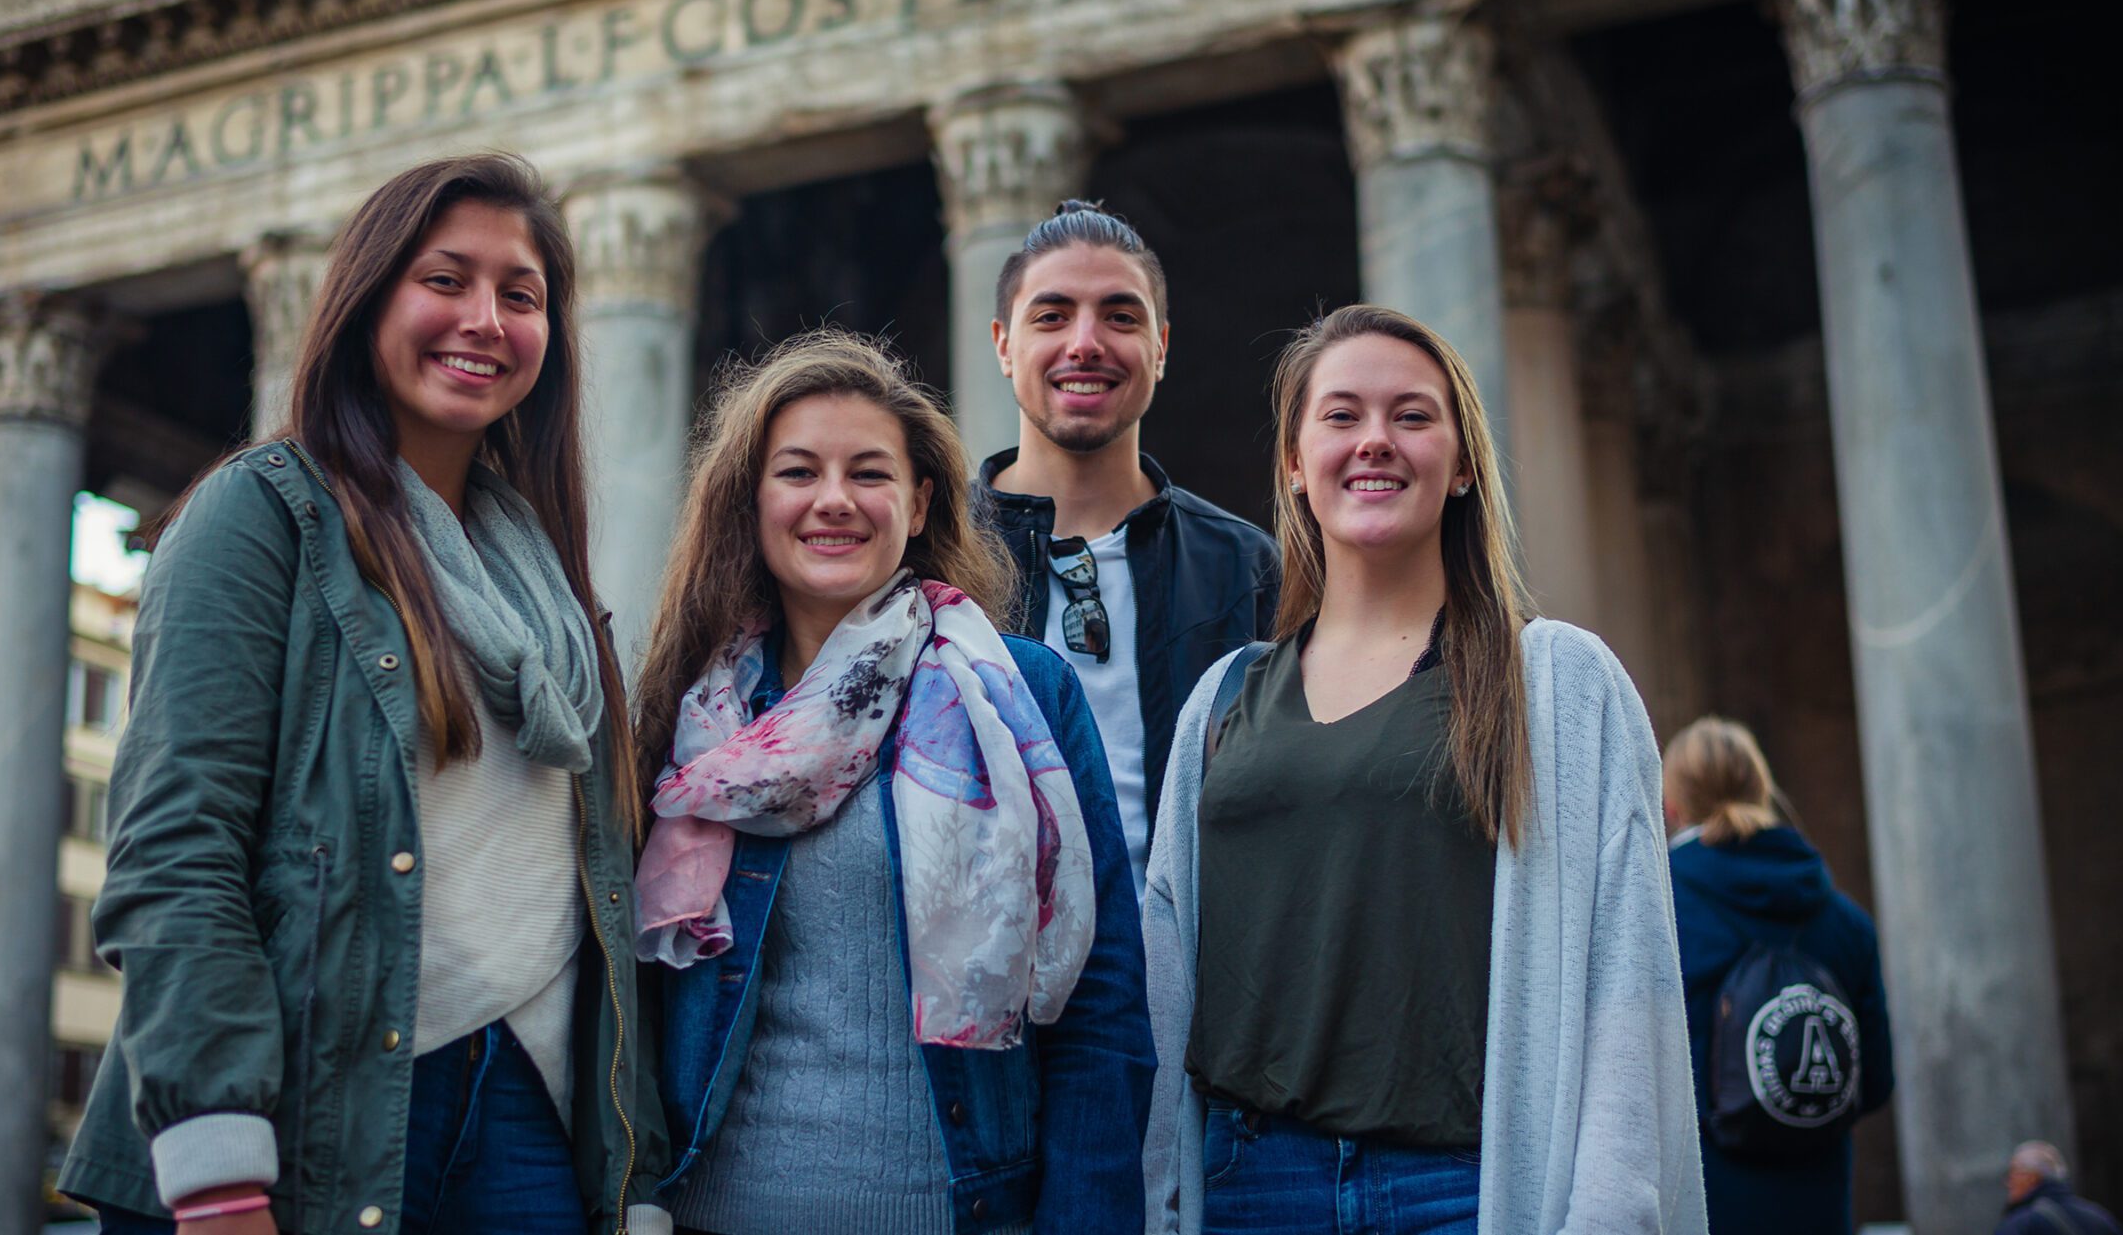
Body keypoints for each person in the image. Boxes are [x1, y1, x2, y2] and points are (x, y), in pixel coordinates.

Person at [57, 153, 672, 1235]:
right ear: (366, 298)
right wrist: (216, 1166)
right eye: (446, 279)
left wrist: (630, 1163)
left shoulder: (544, 576)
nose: (484, 318)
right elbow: (176, 850)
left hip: (527, 1096)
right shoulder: (256, 516)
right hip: (313, 1105)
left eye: (519, 295)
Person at [1142, 305, 1706, 1235]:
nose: (1375, 440)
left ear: (1465, 461)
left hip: (1468, 1186)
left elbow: (1628, 976)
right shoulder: (1222, 699)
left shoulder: (1554, 681)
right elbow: (1169, 977)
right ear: (1293, 462)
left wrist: (1610, 1212)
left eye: (1411, 414)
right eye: (1341, 415)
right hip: (1251, 1183)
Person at [630, 331, 1152, 1234]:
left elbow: (1101, 1006)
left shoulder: (1021, 694)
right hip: (720, 1213)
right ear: (750, 504)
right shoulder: (697, 716)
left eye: (868, 473)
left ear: (917, 504)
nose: (834, 500)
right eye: (798, 472)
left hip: (962, 1210)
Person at [975, 200, 1278, 873]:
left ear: (1160, 347)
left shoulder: (1246, 567)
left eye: (1120, 316)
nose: (1085, 342)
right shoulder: (932, 557)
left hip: (1201, 971)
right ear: (1003, 344)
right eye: (1052, 316)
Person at [1664, 716, 1894, 1235]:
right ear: (1763, 790)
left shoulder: (1660, 909)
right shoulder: (1846, 924)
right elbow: (1874, 1083)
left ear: (1673, 806)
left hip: (1707, 1208)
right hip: (1819, 1206)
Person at [1994, 1142, 2123, 1235]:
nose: (2008, 1182)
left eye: (2012, 1173)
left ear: (2031, 1177)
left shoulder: (2022, 1224)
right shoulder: (2100, 1218)